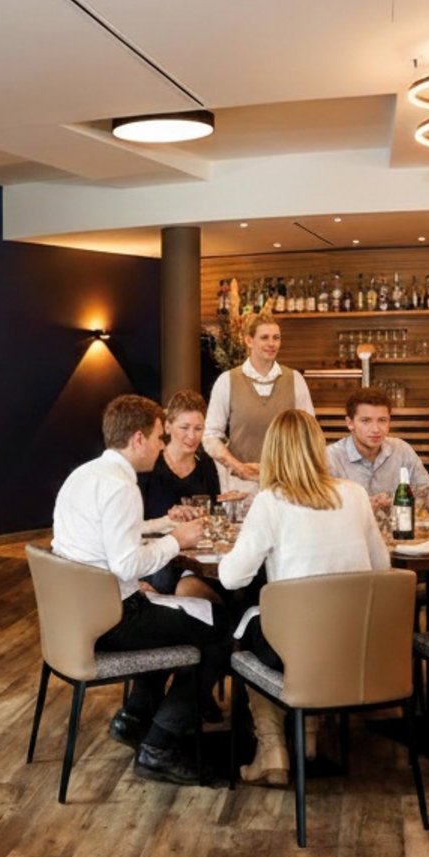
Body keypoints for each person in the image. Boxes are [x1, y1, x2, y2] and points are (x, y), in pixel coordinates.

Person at [52, 394, 222, 786]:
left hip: (78, 614)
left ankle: (136, 715)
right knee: (220, 632)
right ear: (139, 439)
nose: (163, 446)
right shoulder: (121, 487)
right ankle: (159, 747)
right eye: (161, 437)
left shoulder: (85, 475)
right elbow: (126, 564)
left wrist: (162, 524)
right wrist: (178, 540)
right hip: (112, 619)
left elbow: (111, 537)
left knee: (172, 613)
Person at [217, 409, 390, 785]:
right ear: (317, 448)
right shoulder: (355, 494)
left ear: (273, 452)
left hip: (297, 648)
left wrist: (231, 551)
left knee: (245, 627)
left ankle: (273, 750)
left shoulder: (270, 501)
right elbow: (382, 567)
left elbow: (231, 578)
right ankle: (309, 738)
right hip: (355, 642)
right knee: (294, 621)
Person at [204, 312, 315, 496]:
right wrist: (237, 467)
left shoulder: (295, 380)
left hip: (285, 482)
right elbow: (210, 436)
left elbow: (308, 433)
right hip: (241, 485)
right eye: (264, 338)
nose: (271, 344)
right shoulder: (227, 381)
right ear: (249, 341)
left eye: (276, 338)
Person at [325, 387, 429, 513]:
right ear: (350, 423)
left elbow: (427, 492)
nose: (375, 429)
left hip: (398, 528)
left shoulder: (402, 450)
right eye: (366, 421)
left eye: (382, 420)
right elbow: (322, 508)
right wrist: (361, 507)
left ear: (389, 422)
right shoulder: (330, 457)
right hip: (349, 529)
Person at [139, 389, 222, 520]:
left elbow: (216, 513)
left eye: (198, 428)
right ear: (167, 427)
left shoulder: (206, 463)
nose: (192, 436)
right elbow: (138, 522)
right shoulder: (150, 463)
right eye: (184, 427)